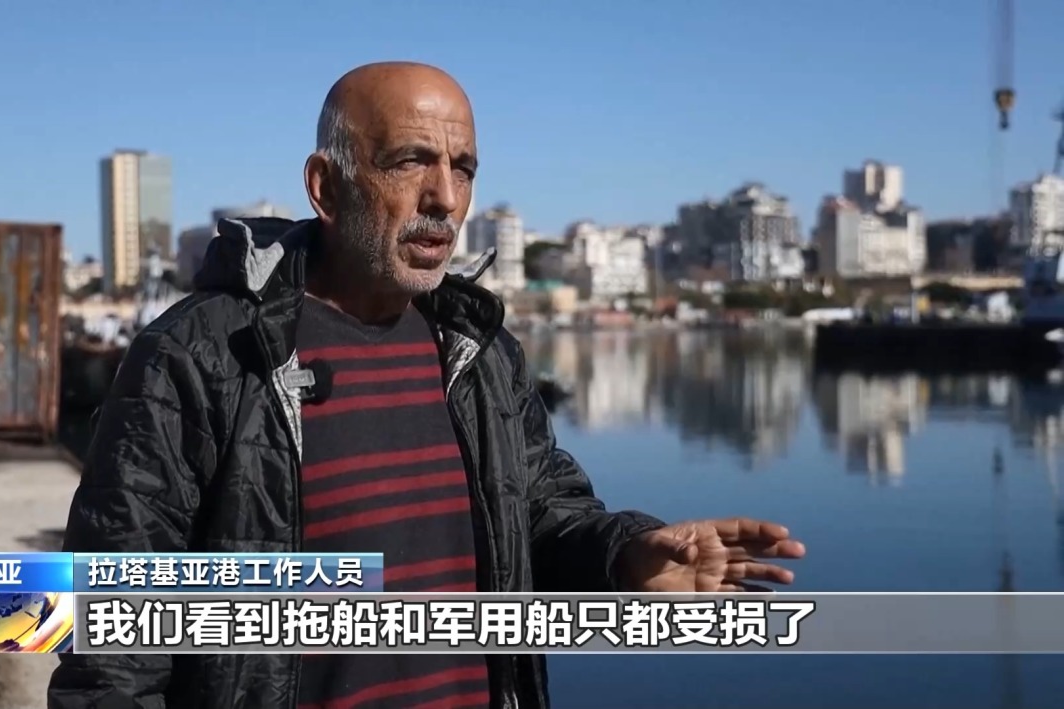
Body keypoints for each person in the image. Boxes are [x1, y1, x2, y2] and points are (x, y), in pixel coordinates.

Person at [47, 61, 805, 709]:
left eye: (463, 168)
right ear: (326, 186)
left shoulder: (481, 353)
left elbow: (539, 517)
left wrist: (630, 553)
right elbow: (113, 644)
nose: (444, 196)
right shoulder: (201, 355)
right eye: (411, 161)